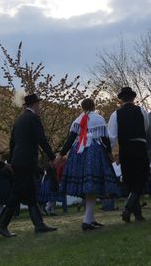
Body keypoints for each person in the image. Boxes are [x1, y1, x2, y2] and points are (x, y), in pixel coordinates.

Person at [0, 94, 57, 237]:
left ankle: (39, 225)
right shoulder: (33, 118)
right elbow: (41, 139)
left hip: (19, 161)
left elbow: (12, 142)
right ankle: (1, 224)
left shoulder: (19, 120)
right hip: (26, 161)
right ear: (35, 104)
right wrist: (52, 157)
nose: (40, 107)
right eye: (39, 104)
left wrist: (10, 161)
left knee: (30, 195)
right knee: (17, 193)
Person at [59, 98, 118, 230]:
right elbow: (104, 138)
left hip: (78, 153)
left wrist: (61, 154)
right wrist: (109, 152)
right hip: (94, 153)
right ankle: (87, 220)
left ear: (82, 107)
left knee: (89, 186)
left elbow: (70, 140)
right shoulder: (99, 119)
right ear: (93, 106)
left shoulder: (77, 120)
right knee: (92, 185)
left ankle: (90, 218)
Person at [108, 87, 150, 223]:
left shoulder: (116, 114)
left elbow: (112, 136)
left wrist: (110, 150)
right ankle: (130, 209)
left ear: (121, 99)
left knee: (130, 180)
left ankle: (135, 212)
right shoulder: (141, 111)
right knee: (141, 178)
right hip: (140, 146)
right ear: (133, 98)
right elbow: (146, 127)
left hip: (125, 148)